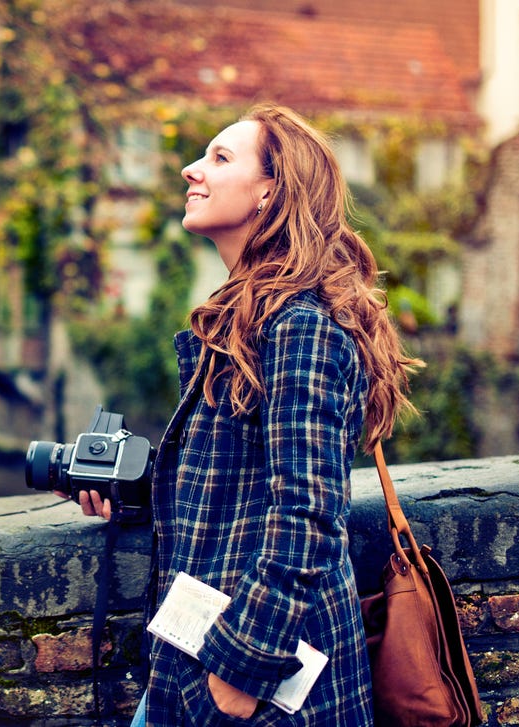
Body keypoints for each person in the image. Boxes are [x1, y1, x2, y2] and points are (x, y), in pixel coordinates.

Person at [68, 104, 422, 725]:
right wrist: (129, 493)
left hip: (257, 683)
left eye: (219, 158)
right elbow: (235, 489)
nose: (189, 169)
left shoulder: (300, 328)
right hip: (191, 662)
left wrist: (245, 669)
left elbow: (308, 513)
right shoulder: (249, 317)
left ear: (270, 192)